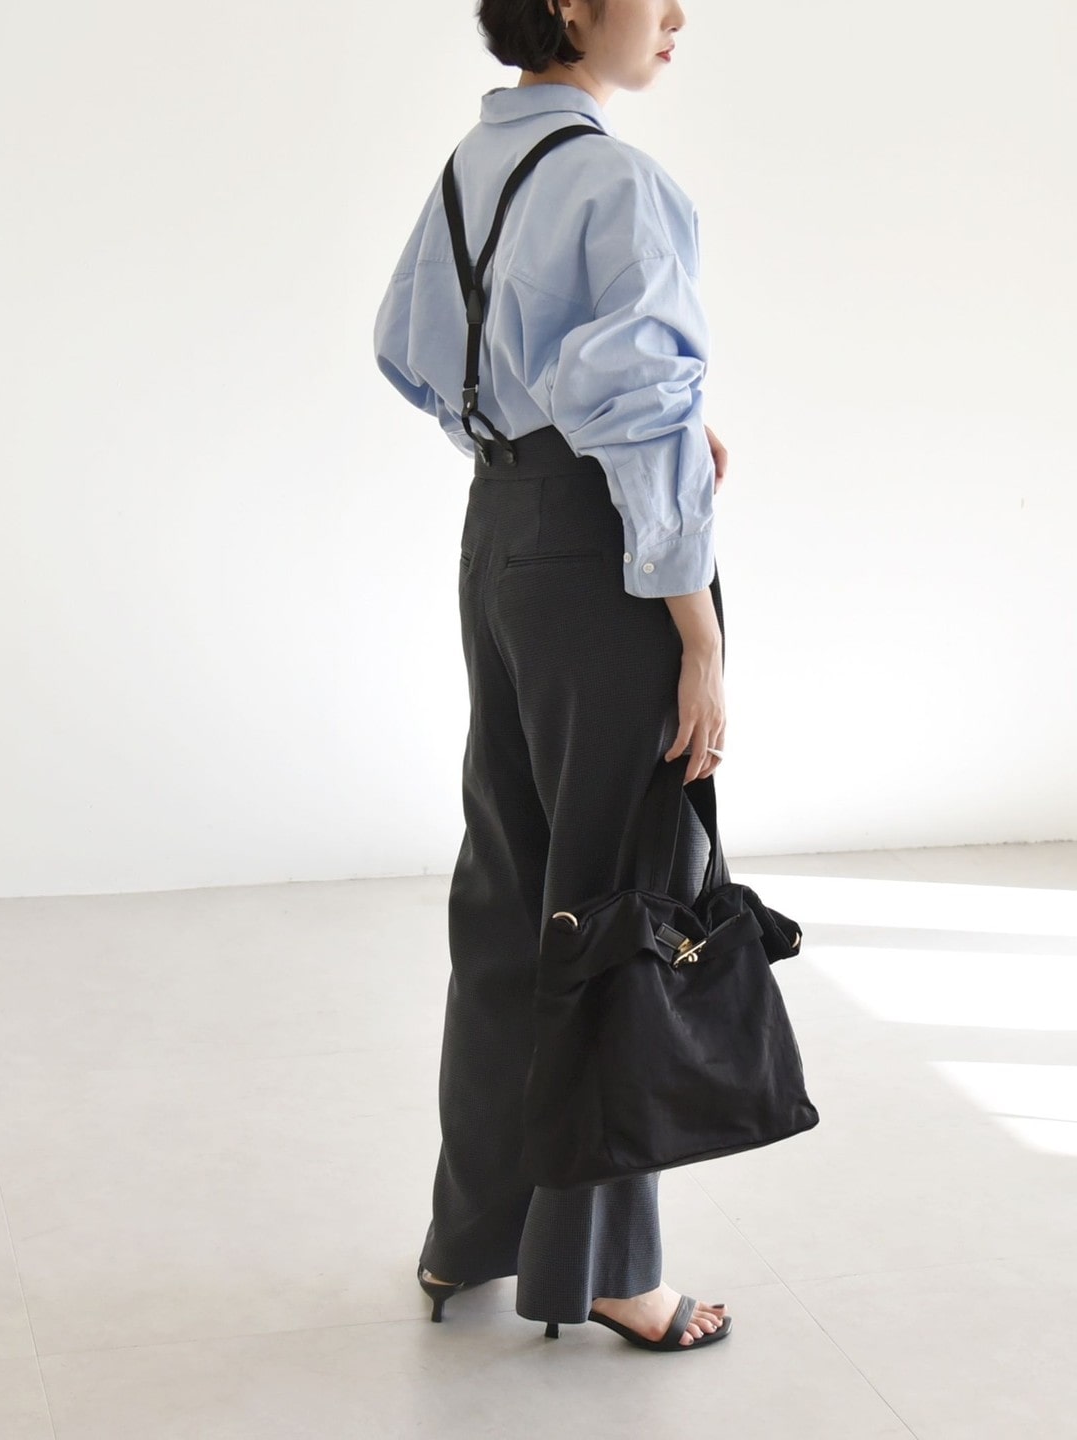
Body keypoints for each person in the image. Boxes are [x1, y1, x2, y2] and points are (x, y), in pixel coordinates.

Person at [372, 0, 732, 1352]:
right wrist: (698, 635)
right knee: (617, 903)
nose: (678, 16)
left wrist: (536, 444)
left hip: (503, 538)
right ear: (576, 4)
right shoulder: (617, 183)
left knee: (512, 897)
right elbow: (640, 399)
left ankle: (470, 1235)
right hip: (603, 570)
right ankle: (613, 1272)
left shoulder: (474, 168)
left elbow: (412, 347)